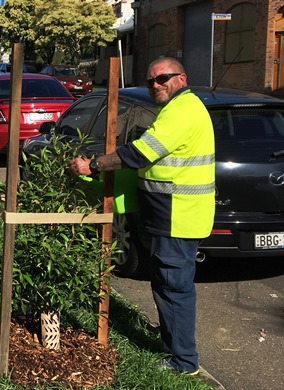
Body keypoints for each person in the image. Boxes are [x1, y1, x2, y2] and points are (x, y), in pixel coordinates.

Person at [68, 57, 215, 375]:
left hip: (178, 217)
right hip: (175, 216)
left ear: (181, 78)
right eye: (151, 81)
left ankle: (182, 361)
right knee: (167, 284)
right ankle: (172, 341)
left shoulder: (181, 111)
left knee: (173, 286)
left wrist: (91, 165)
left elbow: (138, 153)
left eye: (162, 79)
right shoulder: (180, 109)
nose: (156, 85)